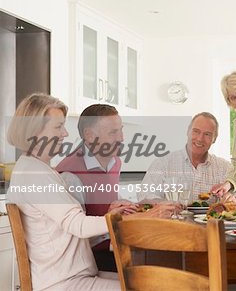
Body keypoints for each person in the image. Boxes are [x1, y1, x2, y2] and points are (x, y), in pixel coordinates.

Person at [6, 94, 122, 290]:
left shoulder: (35, 169)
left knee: (140, 279)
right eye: (58, 127)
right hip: (64, 282)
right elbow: (78, 226)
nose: (65, 134)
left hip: (68, 276)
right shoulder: (36, 174)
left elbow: (71, 234)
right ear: (35, 130)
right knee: (143, 284)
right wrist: (118, 218)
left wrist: (112, 212)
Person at [56, 104, 177, 271]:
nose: (121, 138)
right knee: (161, 266)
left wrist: (140, 206)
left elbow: (106, 206)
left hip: (112, 247)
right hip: (88, 261)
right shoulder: (70, 175)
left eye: (121, 130)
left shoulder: (113, 161)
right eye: (113, 132)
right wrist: (131, 219)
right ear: (89, 135)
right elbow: (75, 238)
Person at [138, 112, 231, 202]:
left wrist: (231, 199)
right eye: (196, 131)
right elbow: (144, 196)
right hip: (171, 218)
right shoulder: (162, 164)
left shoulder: (225, 168)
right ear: (188, 132)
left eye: (207, 134)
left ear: (214, 139)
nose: (200, 138)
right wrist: (166, 204)